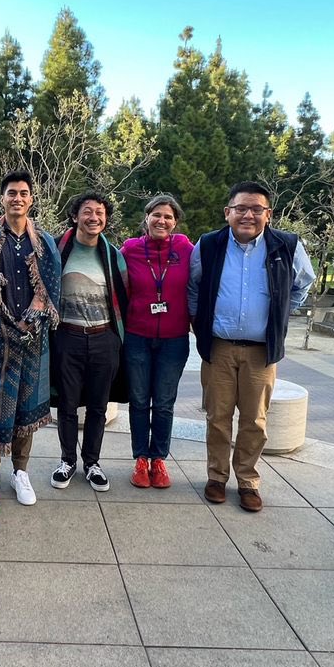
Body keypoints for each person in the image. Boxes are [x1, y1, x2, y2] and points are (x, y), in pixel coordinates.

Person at [188, 181, 314, 512]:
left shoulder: (286, 246)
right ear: (227, 213)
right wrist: (198, 324)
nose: (248, 215)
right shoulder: (210, 244)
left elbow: (302, 285)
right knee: (218, 416)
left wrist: (279, 316)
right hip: (219, 348)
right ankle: (216, 477)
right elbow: (194, 287)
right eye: (241, 208)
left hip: (261, 352)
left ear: (268, 215)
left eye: (257, 209)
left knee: (255, 420)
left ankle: (248, 481)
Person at [0, 170, 61, 505]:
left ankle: (20, 472)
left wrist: (33, 322)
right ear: (2, 198)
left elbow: (53, 289)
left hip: (35, 338)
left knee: (27, 406)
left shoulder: (46, 242)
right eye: (11, 193)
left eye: (23, 193)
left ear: (31, 199)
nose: (17, 198)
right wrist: (6, 327)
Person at [50, 192, 128, 493]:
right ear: (75, 216)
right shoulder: (58, 250)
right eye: (87, 211)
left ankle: (92, 462)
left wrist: (117, 338)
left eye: (99, 212)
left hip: (103, 338)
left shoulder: (113, 255)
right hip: (67, 336)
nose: (94, 217)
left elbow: (124, 298)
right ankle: (67, 460)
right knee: (67, 405)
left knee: (98, 406)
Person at [121, 194, 193, 489]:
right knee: (138, 400)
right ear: (147, 218)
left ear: (175, 222)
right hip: (137, 336)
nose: (161, 220)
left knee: (164, 403)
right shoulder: (130, 249)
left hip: (174, 340)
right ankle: (140, 458)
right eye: (156, 215)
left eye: (168, 216)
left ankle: (159, 459)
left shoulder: (187, 249)